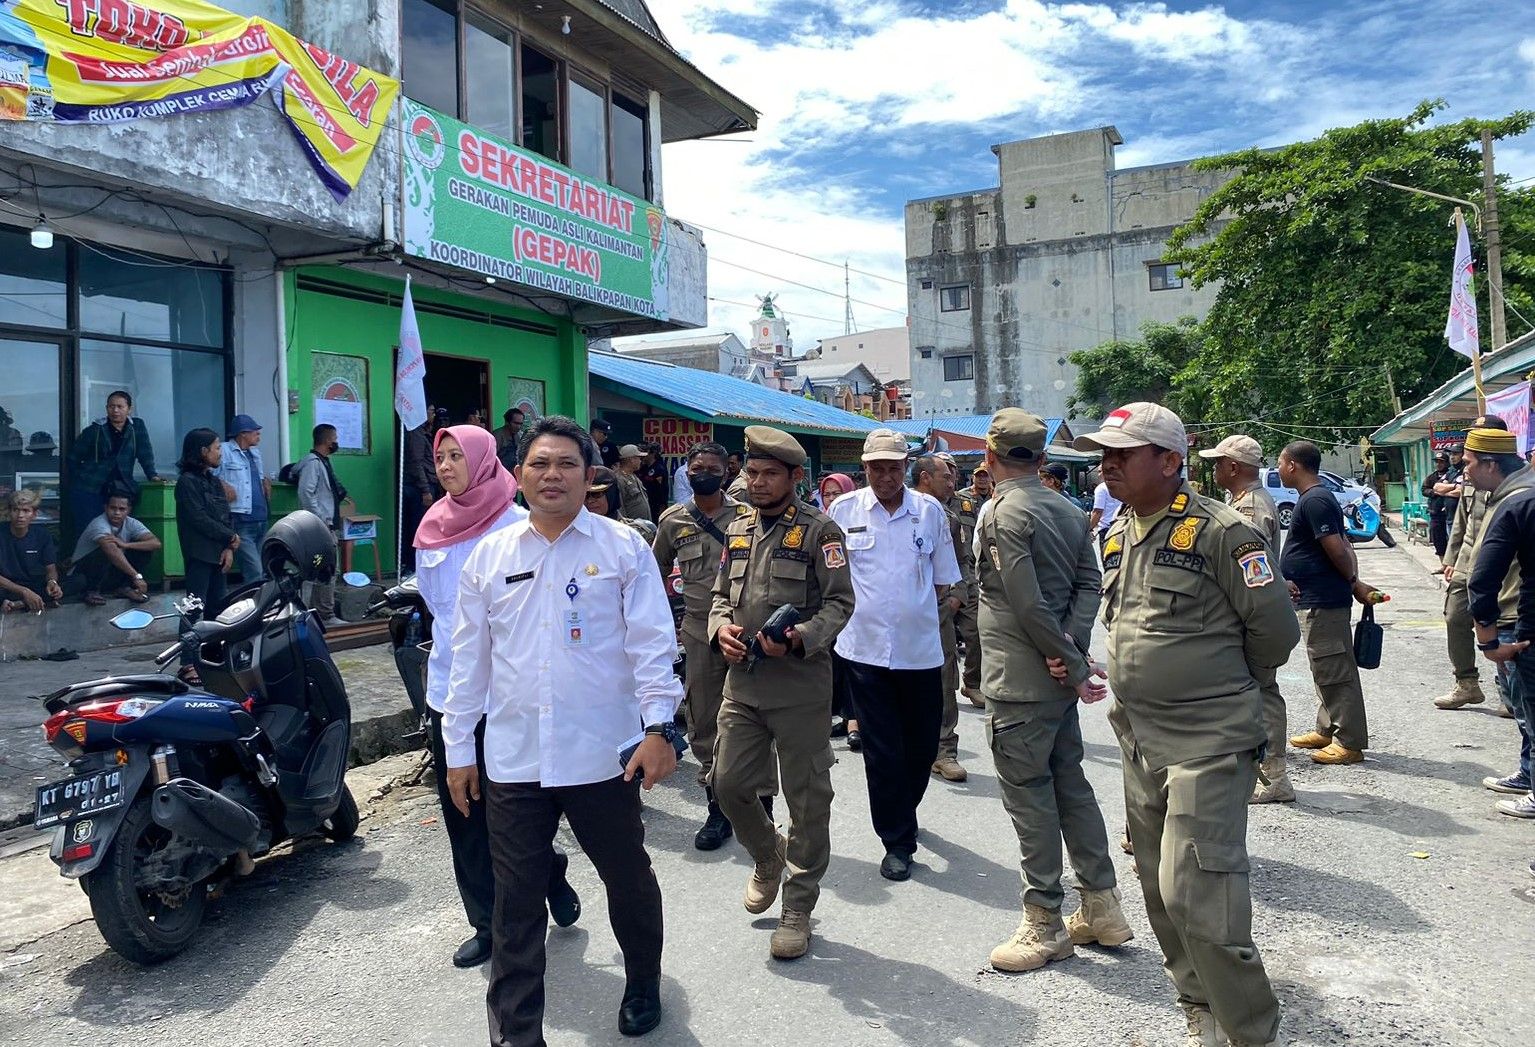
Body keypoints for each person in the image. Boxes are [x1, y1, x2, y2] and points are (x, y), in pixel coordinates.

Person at [442, 414, 683, 1044]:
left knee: (626, 876)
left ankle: (642, 982)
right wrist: (459, 749)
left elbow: (653, 645)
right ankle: (517, 1035)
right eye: (540, 464)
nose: (553, 475)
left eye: (567, 464)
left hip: (603, 756)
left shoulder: (622, 547)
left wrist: (660, 727)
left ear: (588, 475)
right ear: (519, 475)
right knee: (515, 903)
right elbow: (469, 662)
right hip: (516, 760)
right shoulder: (489, 558)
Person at [1074, 402, 1299, 1047]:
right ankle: (1198, 995)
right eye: (1104, 453)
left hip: (1208, 739)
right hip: (1138, 736)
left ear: (1170, 461)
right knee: (1155, 886)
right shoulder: (1119, 530)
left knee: (1196, 893)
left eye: (1123, 453)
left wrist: (1215, 685)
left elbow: (1275, 635)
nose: (1107, 463)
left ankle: (1251, 1030)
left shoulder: (1223, 533)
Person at [413, 424, 579, 970]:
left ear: (484, 459)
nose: (446, 466)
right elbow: (435, 610)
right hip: (449, 691)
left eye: (457, 455)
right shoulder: (430, 529)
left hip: (509, 694)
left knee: (514, 814)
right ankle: (485, 922)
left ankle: (548, 872)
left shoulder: (516, 526)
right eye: (440, 457)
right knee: (463, 814)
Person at [975, 410, 1127, 973]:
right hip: (1057, 679)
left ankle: (1044, 922)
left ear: (990, 459)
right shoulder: (1065, 509)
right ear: (1041, 459)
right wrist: (1074, 651)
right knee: (1071, 786)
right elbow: (1091, 583)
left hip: (1019, 683)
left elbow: (1024, 600)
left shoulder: (1001, 513)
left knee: (1030, 799)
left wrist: (1064, 656)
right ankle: (1102, 906)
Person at [708, 425, 854, 960]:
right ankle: (768, 855)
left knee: (807, 801)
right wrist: (717, 629)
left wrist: (799, 638)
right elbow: (721, 596)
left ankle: (798, 908)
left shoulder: (821, 531)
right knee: (727, 786)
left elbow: (840, 605)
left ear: (795, 477)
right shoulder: (738, 528)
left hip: (799, 689)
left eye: (770, 474)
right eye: (752, 472)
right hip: (741, 684)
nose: (759, 482)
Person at [829, 431, 960, 882]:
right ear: (863, 468)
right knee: (882, 752)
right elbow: (833, 581)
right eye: (876, 467)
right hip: (863, 652)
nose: (885, 476)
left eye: (893, 467)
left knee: (921, 749)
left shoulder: (930, 513)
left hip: (920, 651)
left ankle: (903, 809)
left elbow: (943, 580)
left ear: (906, 467)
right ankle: (897, 840)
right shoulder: (842, 512)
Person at [652, 440, 754, 850]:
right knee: (704, 721)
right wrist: (666, 622)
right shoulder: (674, 521)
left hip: (743, 630)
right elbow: (652, 572)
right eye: (696, 469)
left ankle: (755, 802)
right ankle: (717, 809)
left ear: (726, 472)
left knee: (753, 718)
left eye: (712, 467)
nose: (704, 474)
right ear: (687, 473)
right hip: (698, 632)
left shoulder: (746, 517)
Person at [1198, 434, 1293, 804]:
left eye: (1219, 463)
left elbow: (1252, 570)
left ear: (1233, 467)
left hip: (1249, 613)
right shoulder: (1241, 501)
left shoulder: (1249, 508)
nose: (1216, 469)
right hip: (1249, 611)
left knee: (1262, 692)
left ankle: (1273, 777)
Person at [1278, 440, 1384, 765]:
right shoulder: (1314, 498)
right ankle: (1327, 729)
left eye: (1281, 463)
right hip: (1316, 597)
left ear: (1293, 465)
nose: (1279, 469)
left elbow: (1338, 549)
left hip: (1324, 599)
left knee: (1335, 669)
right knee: (1324, 667)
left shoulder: (1316, 500)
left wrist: (1353, 583)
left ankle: (1349, 742)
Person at [1461, 427, 1535, 817]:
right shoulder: (1517, 494)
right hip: (1518, 615)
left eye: (1470, 461)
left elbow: (1482, 577)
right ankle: (1528, 773)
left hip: (1519, 619)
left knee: (1528, 708)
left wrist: (1488, 641)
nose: (1464, 468)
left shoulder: (1516, 502)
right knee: (1524, 711)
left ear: (1491, 463)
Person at [910, 455, 973, 782]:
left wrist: (955, 598)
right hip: (896, 618)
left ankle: (944, 750)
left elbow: (963, 564)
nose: (953, 483)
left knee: (945, 679)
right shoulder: (888, 514)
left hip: (937, 613)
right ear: (925, 478)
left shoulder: (949, 518)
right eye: (946, 477)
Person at [1438, 417, 1508, 710]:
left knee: (1503, 624)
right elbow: (1463, 522)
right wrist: (1451, 560)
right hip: (1468, 560)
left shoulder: (1508, 475)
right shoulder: (1471, 473)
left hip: (1503, 565)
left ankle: (1508, 690)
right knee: (1455, 618)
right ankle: (1466, 683)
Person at [174, 428, 239, 636]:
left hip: (219, 554)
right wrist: (229, 536)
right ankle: (187, 661)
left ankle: (212, 659)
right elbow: (198, 518)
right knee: (193, 609)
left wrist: (229, 546)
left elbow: (225, 514)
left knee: (217, 612)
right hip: (199, 555)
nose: (220, 452)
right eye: (217, 448)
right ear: (203, 451)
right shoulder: (186, 482)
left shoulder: (213, 481)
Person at [67, 389, 159, 534]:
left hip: (121, 486)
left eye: (120, 406)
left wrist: (152, 475)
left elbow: (145, 453)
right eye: (111, 406)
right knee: (89, 531)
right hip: (91, 486)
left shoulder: (137, 427)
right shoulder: (95, 429)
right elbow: (74, 457)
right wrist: (79, 478)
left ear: (129, 408)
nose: (115, 410)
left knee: (119, 531)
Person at [817, 473, 861, 746]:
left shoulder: (859, 518)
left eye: (837, 493)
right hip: (824, 606)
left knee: (851, 666)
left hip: (855, 605)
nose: (832, 498)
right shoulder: (814, 524)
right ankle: (843, 719)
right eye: (827, 494)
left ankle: (856, 722)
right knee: (832, 666)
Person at [294, 424, 349, 627]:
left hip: (325, 525)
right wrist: (320, 519)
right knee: (319, 570)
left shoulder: (324, 462)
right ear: (327, 441)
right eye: (335, 438)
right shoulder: (313, 464)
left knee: (325, 570)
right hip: (319, 527)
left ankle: (320, 613)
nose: (336, 442)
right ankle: (319, 615)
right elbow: (306, 493)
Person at [941, 457, 985, 709]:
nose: (949, 478)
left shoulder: (968, 504)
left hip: (966, 576)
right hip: (937, 583)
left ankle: (973, 682)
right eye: (944, 472)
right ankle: (944, 690)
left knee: (976, 630)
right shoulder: (921, 505)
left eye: (952, 472)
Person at [71, 488, 161, 606]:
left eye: (122, 509)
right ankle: (91, 591)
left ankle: (123, 587)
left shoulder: (131, 523)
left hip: (108, 575)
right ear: (105, 508)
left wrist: (126, 545)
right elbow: (111, 550)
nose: (117, 513)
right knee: (105, 550)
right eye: (113, 508)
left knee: (144, 550)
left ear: (128, 510)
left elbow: (155, 543)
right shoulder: (99, 524)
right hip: (83, 574)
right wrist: (136, 576)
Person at [215, 415, 270, 585]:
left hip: (260, 518)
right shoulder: (224, 451)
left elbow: (259, 478)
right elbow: (209, 477)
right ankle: (253, 607)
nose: (258, 436)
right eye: (255, 432)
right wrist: (222, 485)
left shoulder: (255, 453)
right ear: (243, 434)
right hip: (241, 518)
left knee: (264, 568)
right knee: (254, 571)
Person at [0, 489, 62, 612]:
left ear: (34, 514)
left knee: (77, 581)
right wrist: (24, 591)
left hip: (32, 585)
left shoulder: (42, 535)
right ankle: (30, 601)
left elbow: (50, 568)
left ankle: (20, 603)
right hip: (6, 587)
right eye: (16, 510)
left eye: (25, 510)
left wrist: (52, 582)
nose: (20, 515)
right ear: (9, 512)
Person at [586, 467, 657, 542]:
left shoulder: (640, 534)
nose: (590, 501)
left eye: (596, 494)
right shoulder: (574, 535)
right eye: (585, 495)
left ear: (611, 494)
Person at [1423, 450, 1453, 559]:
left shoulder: (1451, 475)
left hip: (1449, 513)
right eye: (1437, 462)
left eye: (1441, 462)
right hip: (1435, 513)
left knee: (1452, 539)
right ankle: (1442, 564)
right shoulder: (1431, 477)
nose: (1438, 464)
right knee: (1438, 539)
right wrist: (1434, 492)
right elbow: (1424, 489)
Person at [615, 444, 653, 522]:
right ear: (632, 460)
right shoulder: (619, 479)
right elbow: (620, 507)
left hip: (643, 526)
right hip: (632, 526)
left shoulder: (634, 477)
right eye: (639, 458)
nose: (640, 461)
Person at [1089, 474, 1122, 553]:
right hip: (1122, 527)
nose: (1099, 474)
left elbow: (1097, 511)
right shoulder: (1123, 486)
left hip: (1107, 530)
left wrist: (1089, 529)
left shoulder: (1101, 488)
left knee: (1107, 559)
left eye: (1101, 471)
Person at [638, 443, 669, 522]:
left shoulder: (659, 468)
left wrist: (662, 505)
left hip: (656, 504)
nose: (643, 456)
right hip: (645, 503)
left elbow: (663, 488)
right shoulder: (643, 468)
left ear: (652, 453)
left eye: (646, 452)